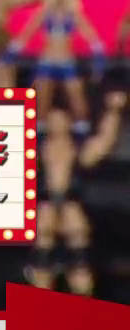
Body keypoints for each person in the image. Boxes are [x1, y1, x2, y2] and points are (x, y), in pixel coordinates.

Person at [25, 92, 124, 296]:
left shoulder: (80, 150)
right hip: (45, 213)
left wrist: (114, 112)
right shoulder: (35, 150)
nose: (57, 124)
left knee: (79, 259)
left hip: (72, 212)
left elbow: (104, 142)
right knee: (43, 256)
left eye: (61, 119)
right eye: (53, 120)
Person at [13, 0, 104, 130]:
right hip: (47, 62)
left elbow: (92, 37)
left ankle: (81, 128)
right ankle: (40, 129)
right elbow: (26, 34)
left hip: (66, 62)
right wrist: (12, 52)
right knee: (42, 98)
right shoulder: (43, 14)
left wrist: (99, 56)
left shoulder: (74, 15)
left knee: (76, 95)